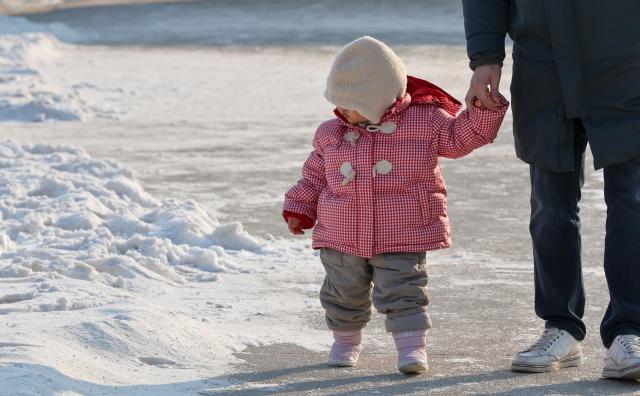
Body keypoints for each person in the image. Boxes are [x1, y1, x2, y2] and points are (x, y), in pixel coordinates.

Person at [283, 36, 508, 374]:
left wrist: (482, 111)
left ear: (377, 98)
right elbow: (314, 176)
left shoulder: (424, 122)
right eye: (337, 101)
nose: (341, 110)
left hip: (401, 232)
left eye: (350, 102)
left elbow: (463, 138)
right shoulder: (332, 133)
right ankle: (345, 342)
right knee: (342, 294)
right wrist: (300, 208)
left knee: (404, 293)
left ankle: (412, 350)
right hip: (341, 236)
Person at [462, 0, 640, 379]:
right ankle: (560, 326)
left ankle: (631, 331)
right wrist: (485, 56)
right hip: (543, 65)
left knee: (633, 201)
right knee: (550, 205)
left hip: (626, 61)